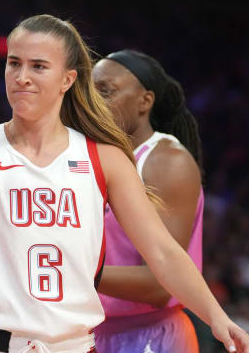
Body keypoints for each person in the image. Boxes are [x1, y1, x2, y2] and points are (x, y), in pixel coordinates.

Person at [0, 13, 249, 352]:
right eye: (14, 64)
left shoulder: (105, 159)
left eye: (38, 66)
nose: (22, 77)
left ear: (68, 79)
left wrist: (218, 318)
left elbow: (164, 254)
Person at [91, 49, 204, 353]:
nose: (93, 100)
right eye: (89, 91)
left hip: (149, 336)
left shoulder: (166, 160)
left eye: (106, 90)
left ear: (145, 101)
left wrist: (69, 269)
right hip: (92, 333)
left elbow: (162, 282)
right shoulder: (94, 159)